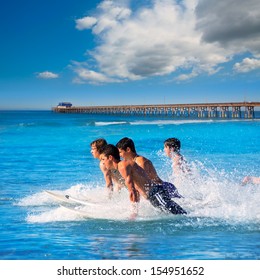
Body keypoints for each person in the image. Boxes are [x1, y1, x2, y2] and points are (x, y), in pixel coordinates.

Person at [99, 144, 187, 219]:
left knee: (181, 215)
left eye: (103, 159)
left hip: (156, 193)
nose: (102, 163)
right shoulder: (122, 166)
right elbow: (136, 190)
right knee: (175, 216)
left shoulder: (123, 166)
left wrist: (134, 213)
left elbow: (132, 191)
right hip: (153, 196)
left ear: (110, 157)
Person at [116, 137, 182, 198]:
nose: (119, 155)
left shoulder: (140, 161)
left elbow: (145, 184)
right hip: (159, 190)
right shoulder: (132, 162)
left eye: (120, 152)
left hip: (164, 188)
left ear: (128, 149)